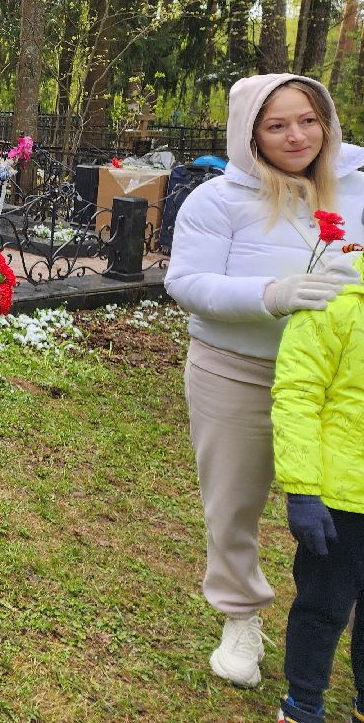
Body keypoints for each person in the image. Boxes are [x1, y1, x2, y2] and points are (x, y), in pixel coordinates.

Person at [166, 74, 364, 690]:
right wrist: (272, 294)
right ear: (249, 134)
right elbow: (187, 282)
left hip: (339, 387)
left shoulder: (357, 186)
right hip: (239, 373)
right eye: (276, 126)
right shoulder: (217, 201)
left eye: (308, 120)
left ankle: (333, 610)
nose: (296, 136)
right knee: (233, 505)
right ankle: (240, 615)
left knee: (347, 506)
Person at [271, 250, 364, 723]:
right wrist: (303, 489)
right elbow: (298, 394)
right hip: (340, 499)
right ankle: (303, 702)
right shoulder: (336, 301)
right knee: (323, 605)